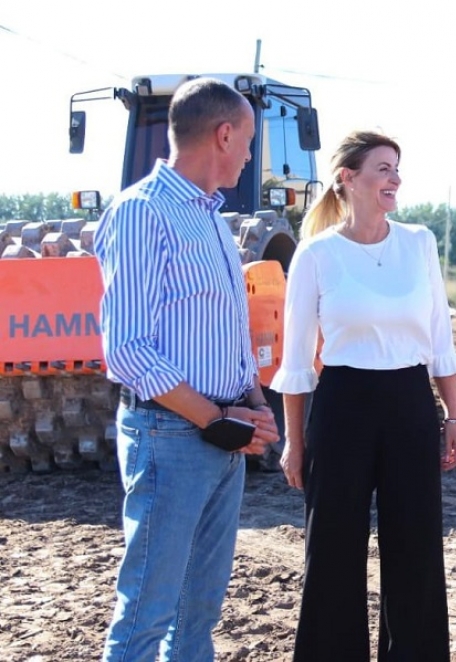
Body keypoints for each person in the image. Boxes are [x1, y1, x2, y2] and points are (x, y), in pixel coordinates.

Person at [94, 77, 280, 661]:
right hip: (169, 437)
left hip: (221, 437)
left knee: (197, 619)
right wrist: (215, 418)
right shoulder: (142, 213)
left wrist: (254, 406)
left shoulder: (212, 219)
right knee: (145, 618)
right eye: (247, 140)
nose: (249, 155)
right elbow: (127, 348)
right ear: (224, 135)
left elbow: (229, 330)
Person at [272, 130, 456, 661]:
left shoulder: (419, 243)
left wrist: (452, 416)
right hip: (343, 406)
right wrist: (295, 442)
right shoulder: (316, 254)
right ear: (348, 178)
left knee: (416, 548)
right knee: (332, 550)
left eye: (397, 169)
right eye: (383, 168)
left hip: (409, 403)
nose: (395, 178)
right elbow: (296, 361)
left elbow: (440, 340)